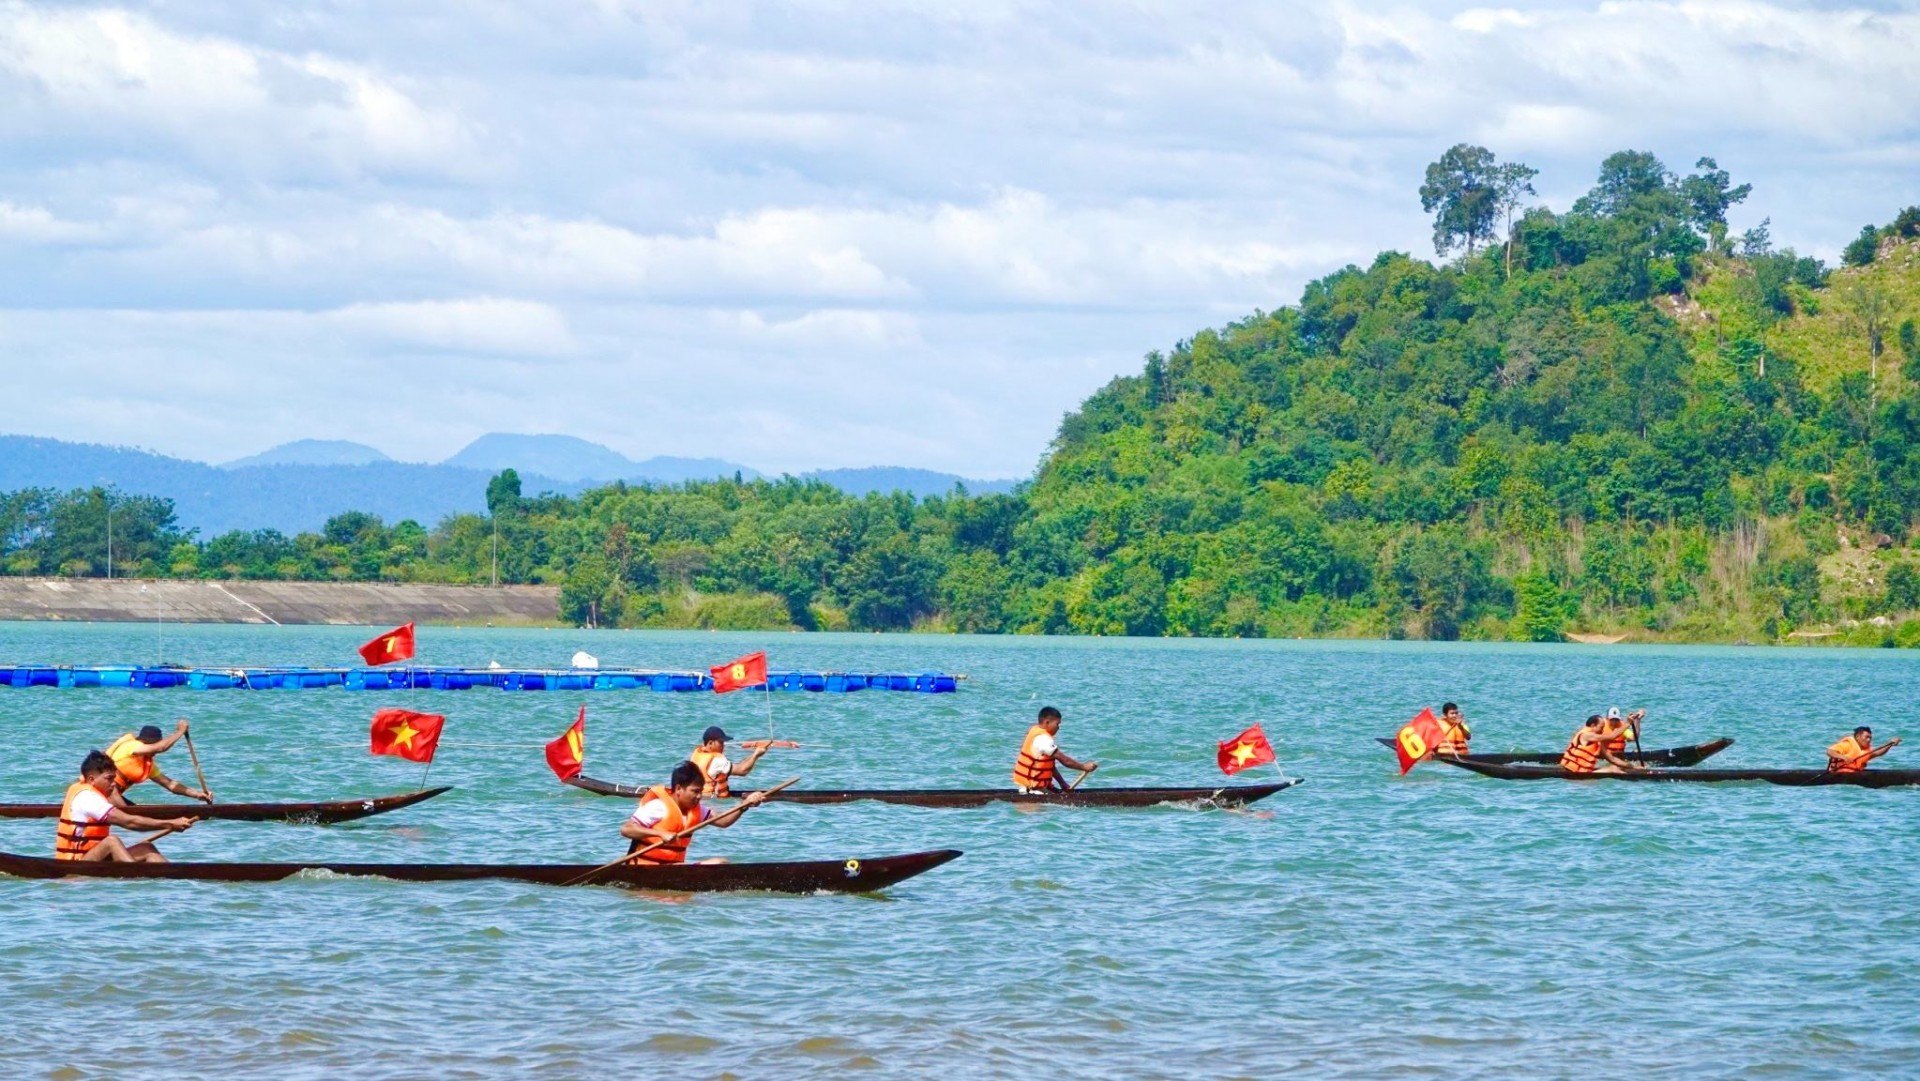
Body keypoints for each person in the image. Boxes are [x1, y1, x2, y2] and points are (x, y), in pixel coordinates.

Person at [57, 750, 195, 863]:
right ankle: (135, 876)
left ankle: (172, 879)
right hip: (75, 862)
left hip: (96, 857)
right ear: (91, 779)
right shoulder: (87, 797)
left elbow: (130, 819)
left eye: (114, 778)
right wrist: (170, 824)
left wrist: (170, 822)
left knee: (147, 848)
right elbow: (130, 822)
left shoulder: (95, 794)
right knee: (111, 842)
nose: (113, 784)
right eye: (109, 779)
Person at [620, 761, 767, 865]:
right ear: (679, 789)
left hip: (675, 869)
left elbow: (723, 821)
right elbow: (627, 829)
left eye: (701, 791)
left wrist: (744, 805)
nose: (699, 796)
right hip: (645, 869)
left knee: (720, 863)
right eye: (695, 791)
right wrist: (660, 834)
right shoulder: (658, 807)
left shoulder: (697, 810)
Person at [104, 721, 212, 804]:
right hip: (103, 791)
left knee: (140, 815)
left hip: (113, 794)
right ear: (148, 743)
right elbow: (161, 748)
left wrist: (197, 794)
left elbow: (170, 784)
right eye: (155, 745)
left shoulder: (147, 765)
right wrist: (180, 731)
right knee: (134, 818)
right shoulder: (132, 745)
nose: (155, 752)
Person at [1012, 706, 1098, 793]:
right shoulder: (1043, 739)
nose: (1058, 727)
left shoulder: (1034, 730)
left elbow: (1049, 766)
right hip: (1033, 790)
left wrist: (1062, 783)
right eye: (1057, 724)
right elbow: (1065, 761)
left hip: (1028, 787)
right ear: (1047, 722)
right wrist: (1084, 767)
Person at [687, 725, 768, 798]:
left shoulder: (697, 753)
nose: (723, 745)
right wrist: (756, 755)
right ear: (710, 743)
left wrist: (753, 754)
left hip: (700, 798)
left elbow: (740, 766)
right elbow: (742, 770)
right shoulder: (716, 760)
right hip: (713, 801)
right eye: (721, 742)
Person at [1827, 727, 1901, 773]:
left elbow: (1878, 753)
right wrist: (1844, 757)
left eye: (1870, 738)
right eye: (1866, 737)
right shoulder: (1847, 745)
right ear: (1858, 737)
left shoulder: (1866, 751)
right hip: (1839, 773)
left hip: (1855, 774)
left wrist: (1890, 744)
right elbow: (1830, 751)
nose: (1869, 740)